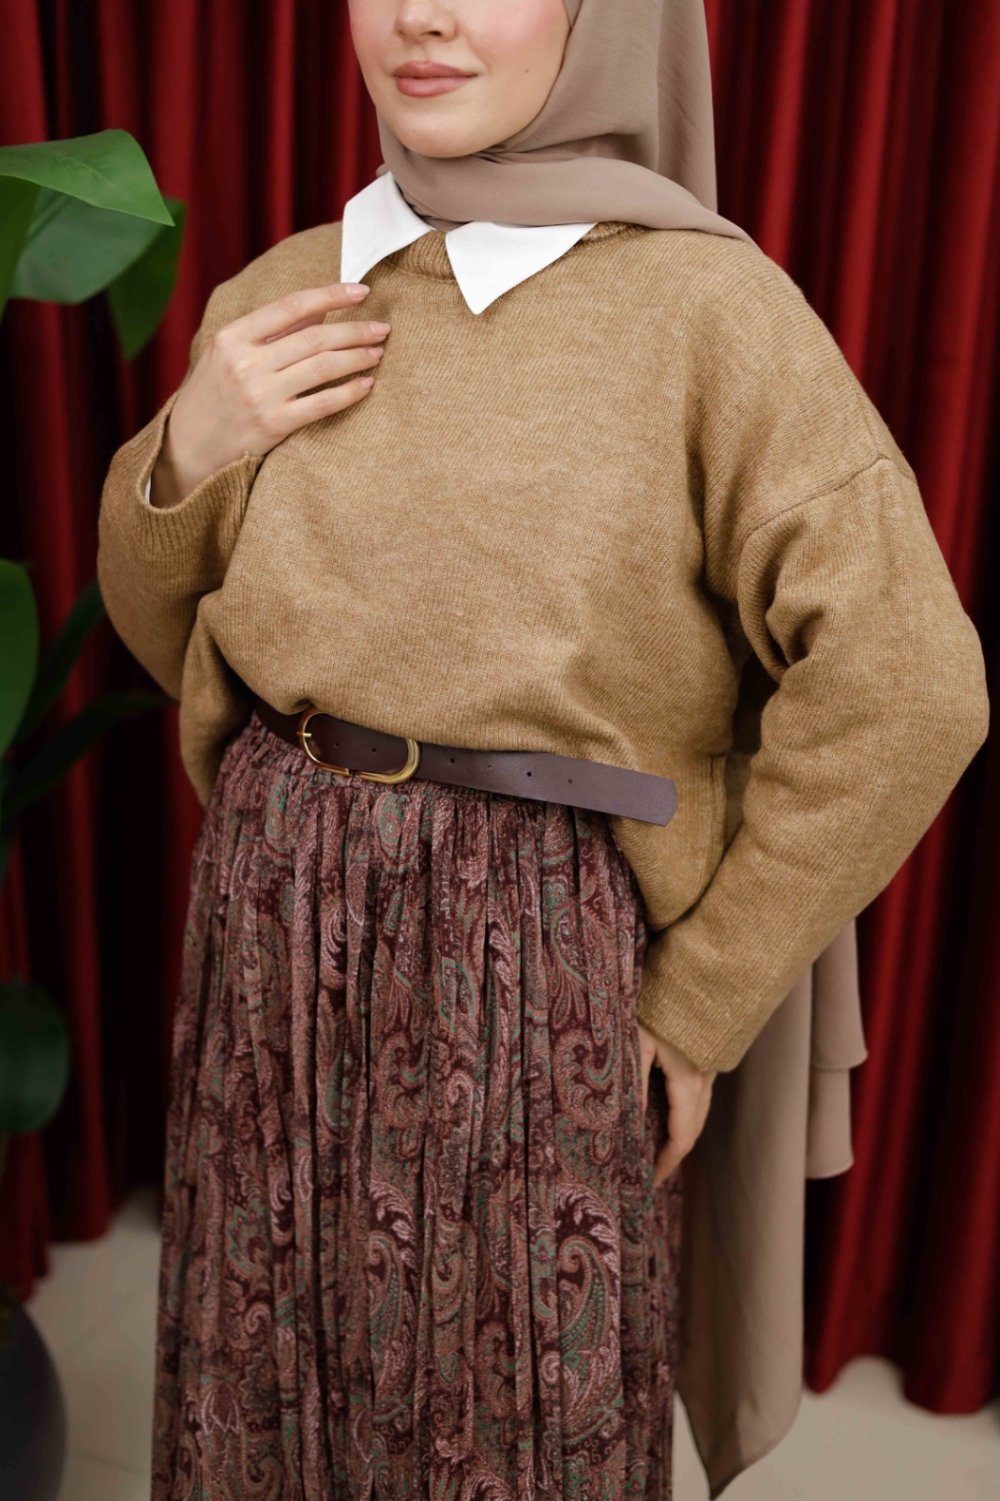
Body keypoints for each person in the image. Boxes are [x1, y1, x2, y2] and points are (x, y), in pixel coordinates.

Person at [95, 3, 990, 1498]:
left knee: (504, 1420)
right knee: (268, 1367)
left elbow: (910, 685)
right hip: (272, 915)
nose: (423, 17)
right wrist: (188, 447)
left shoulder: (710, 316)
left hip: (530, 959)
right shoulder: (293, 287)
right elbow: (166, 629)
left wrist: (697, 1007)